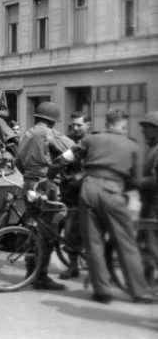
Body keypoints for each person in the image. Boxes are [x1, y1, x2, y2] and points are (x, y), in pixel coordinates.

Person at [62, 109, 154, 304]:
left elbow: (66, 157)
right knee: (126, 242)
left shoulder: (91, 140)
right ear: (123, 125)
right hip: (113, 192)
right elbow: (137, 180)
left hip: (88, 190)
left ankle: (102, 292)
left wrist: (53, 172)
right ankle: (140, 292)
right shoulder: (132, 146)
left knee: (93, 243)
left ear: (106, 123)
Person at [15, 101, 74, 291]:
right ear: (52, 121)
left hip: (28, 184)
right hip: (45, 186)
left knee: (33, 228)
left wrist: (29, 175)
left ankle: (31, 272)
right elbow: (72, 148)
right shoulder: (49, 133)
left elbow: (17, 161)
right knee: (48, 231)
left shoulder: (27, 133)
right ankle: (40, 276)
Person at [57, 111, 90, 280]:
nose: (75, 128)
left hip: (87, 190)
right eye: (73, 125)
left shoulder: (91, 141)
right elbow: (59, 161)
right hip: (70, 190)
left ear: (88, 125)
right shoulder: (67, 140)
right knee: (70, 230)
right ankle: (72, 266)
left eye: (79, 125)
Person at [138, 111, 158, 285]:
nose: (143, 131)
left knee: (152, 243)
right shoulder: (152, 148)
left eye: (147, 128)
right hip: (148, 202)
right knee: (147, 241)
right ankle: (148, 278)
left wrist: (137, 182)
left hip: (155, 203)